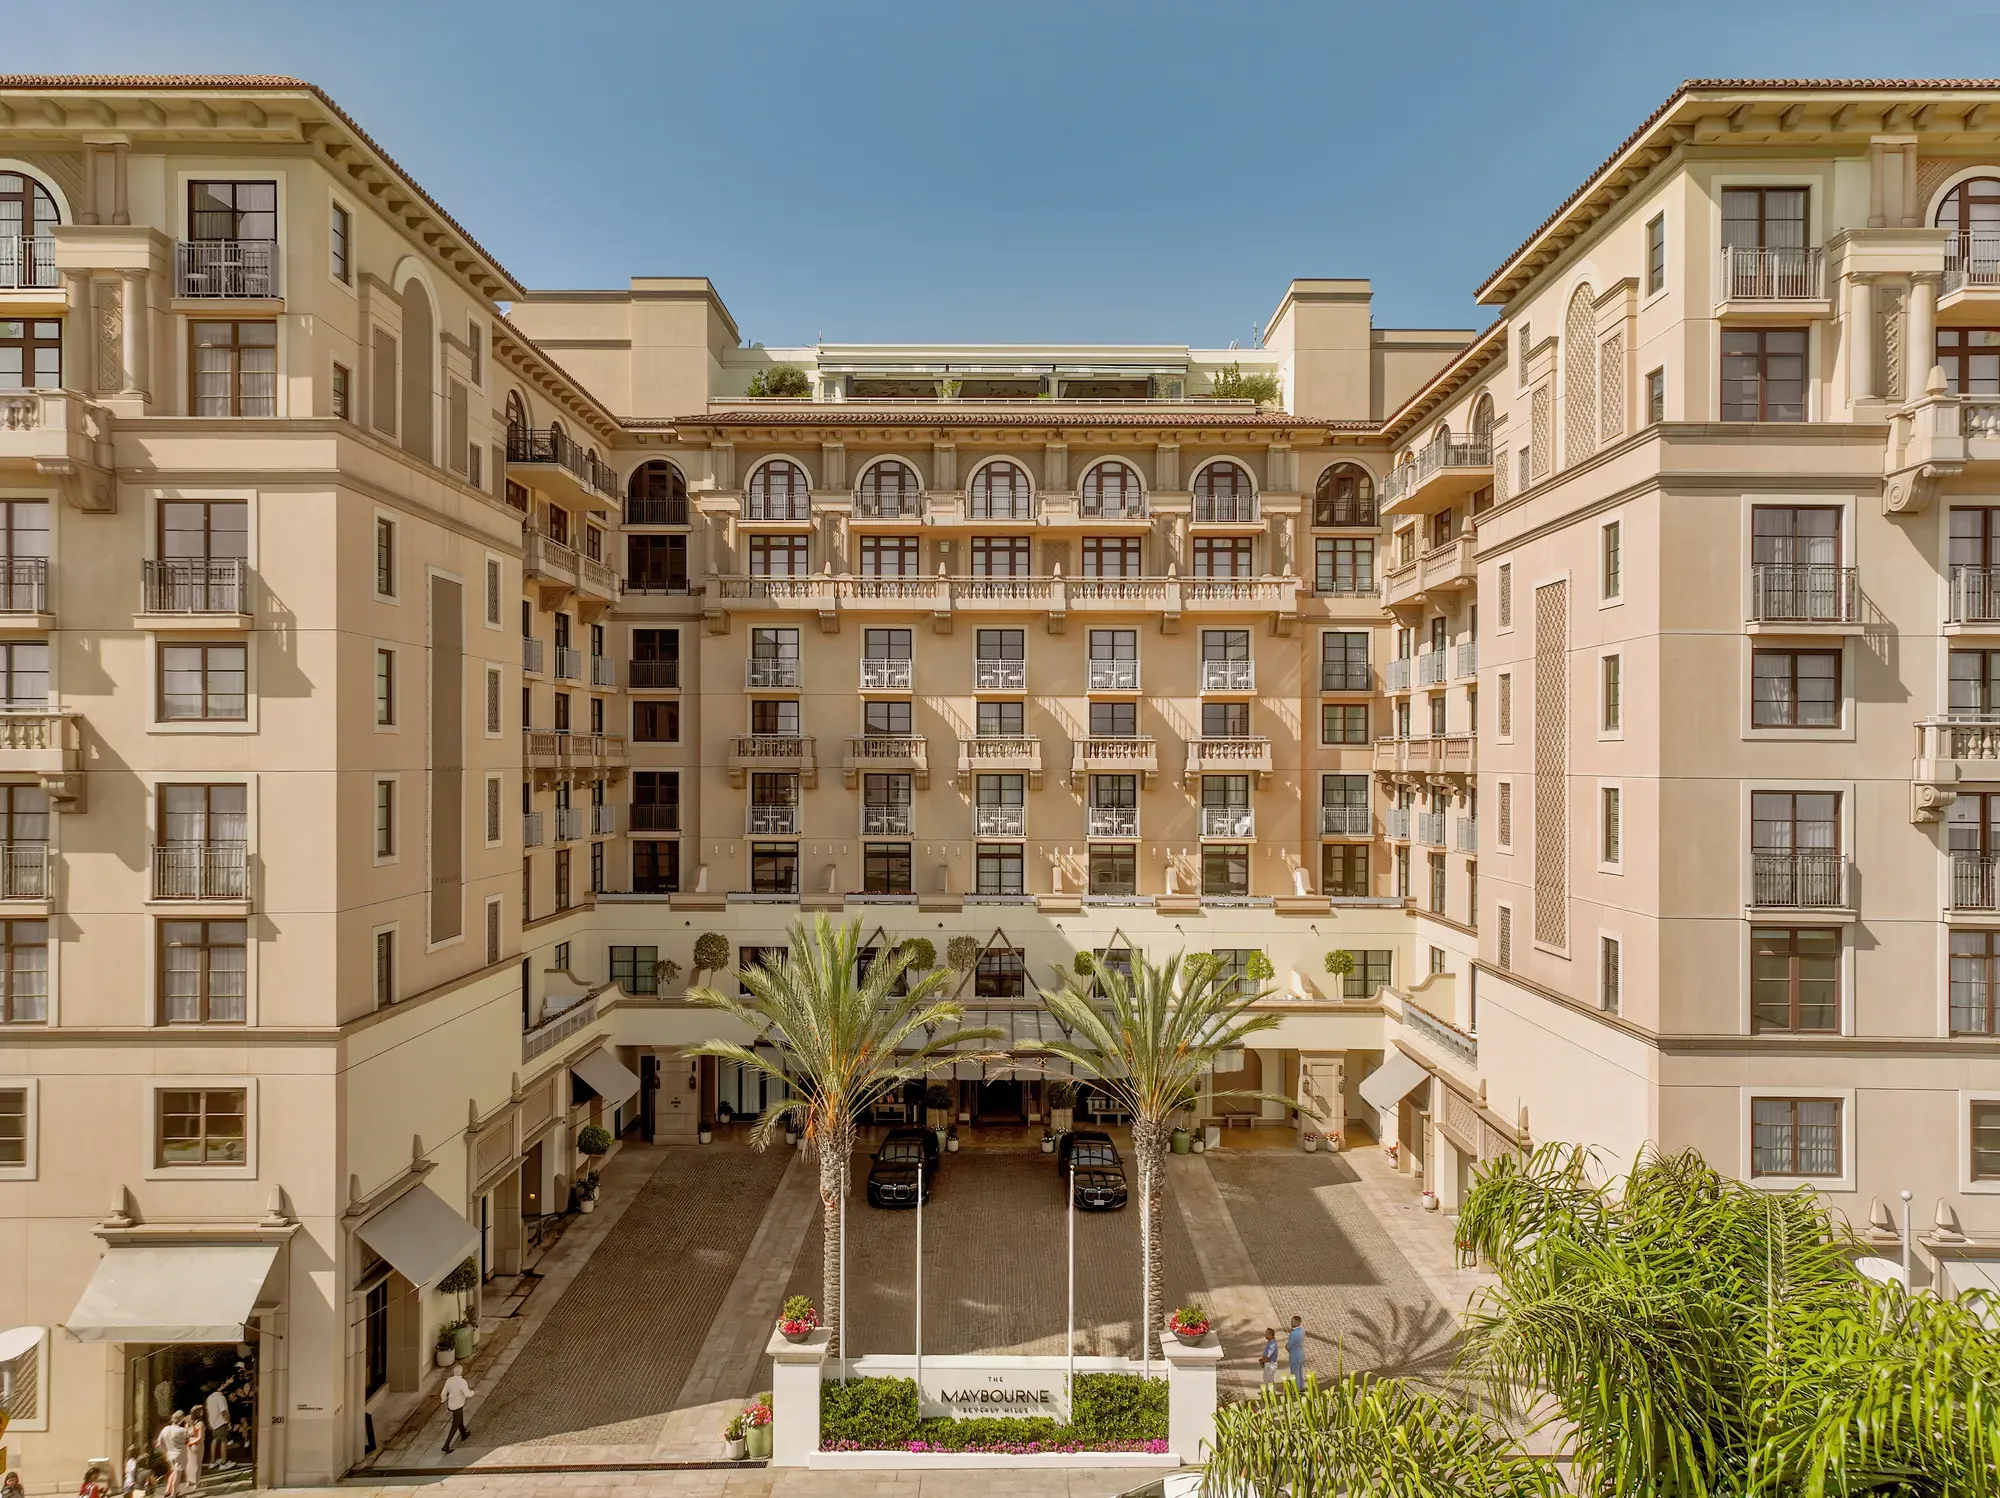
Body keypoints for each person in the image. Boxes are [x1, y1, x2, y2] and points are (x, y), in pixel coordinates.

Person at [439, 1364, 475, 1455]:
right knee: (454, 1425)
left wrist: (444, 1402)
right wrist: (474, 1392)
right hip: (458, 1406)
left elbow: (443, 1393)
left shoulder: (449, 1380)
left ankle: (463, 1434)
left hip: (451, 1404)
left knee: (459, 1419)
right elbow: (467, 1394)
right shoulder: (462, 1382)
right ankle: (446, 1446)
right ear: (461, 1372)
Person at [155, 1415, 188, 1498]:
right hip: (179, 1454)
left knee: (173, 1473)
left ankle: (168, 1491)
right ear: (181, 1420)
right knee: (177, 1474)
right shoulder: (181, 1430)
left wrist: (165, 1452)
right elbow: (192, 1434)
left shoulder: (165, 1429)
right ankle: (173, 1493)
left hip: (169, 1455)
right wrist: (188, 1424)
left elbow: (158, 1443)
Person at [203, 1388, 229, 1470]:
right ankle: (224, 1463)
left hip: (213, 1423)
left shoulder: (209, 1398)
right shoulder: (220, 1398)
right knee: (224, 1441)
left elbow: (207, 1412)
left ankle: (212, 1462)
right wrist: (228, 1421)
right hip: (221, 1422)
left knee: (214, 1440)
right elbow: (223, 1412)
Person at [180, 1412, 202, 1493]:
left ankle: (196, 1482)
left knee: (196, 1464)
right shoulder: (186, 1426)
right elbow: (186, 1435)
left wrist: (190, 1442)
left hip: (196, 1446)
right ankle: (189, 1480)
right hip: (189, 1446)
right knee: (189, 1464)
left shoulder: (198, 1424)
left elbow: (199, 1437)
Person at [1285, 1314, 1306, 1388]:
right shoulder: (1302, 1330)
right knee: (1300, 1371)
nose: (1291, 1323)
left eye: (1292, 1321)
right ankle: (1301, 1386)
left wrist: (1286, 1346)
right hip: (1301, 1353)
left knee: (1294, 1372)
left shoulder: (1294, 1334)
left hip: (1295, 1355)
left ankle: (1296, 1388)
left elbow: (1289, 1345)